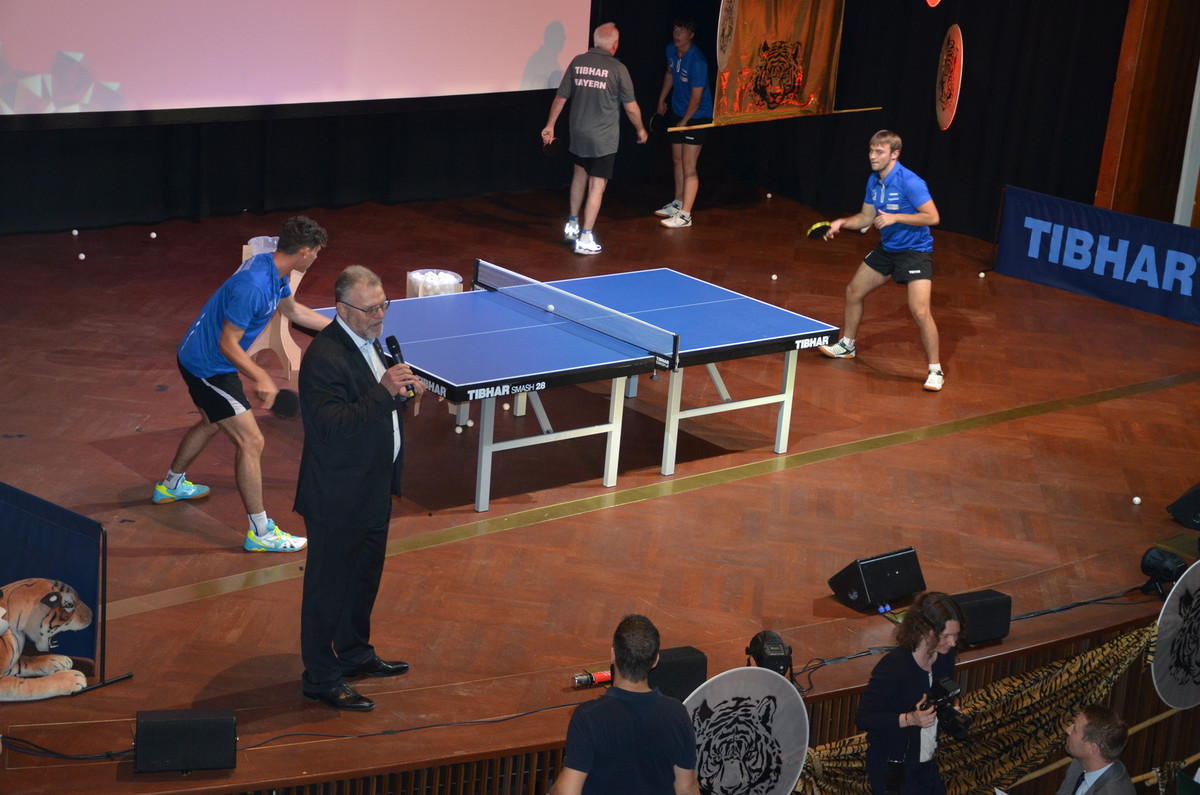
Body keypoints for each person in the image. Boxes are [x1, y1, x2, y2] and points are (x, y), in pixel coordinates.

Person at [153, 215, 331, 552]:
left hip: (201, 356)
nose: (316, 257)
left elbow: (293, 311)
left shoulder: (274, 270)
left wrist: (340, 329)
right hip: (208, 366)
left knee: (213, 420)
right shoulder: (254, 285)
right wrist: (261, 375)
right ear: (305, 251)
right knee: (251, 441)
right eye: (317, 252)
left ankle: (170, 486)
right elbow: (228, 343)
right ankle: (260, 533)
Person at [295, 265, 425, 711]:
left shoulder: (372, 345)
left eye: (383, 305)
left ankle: (354, 654)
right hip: (337, 498)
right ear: (342, 309)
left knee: (362, 582)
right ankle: (320, 678)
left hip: (372, 489)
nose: (380, 315)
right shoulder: (324, 358)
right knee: (327, 591)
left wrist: (402, 393)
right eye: (370, 309)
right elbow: (329, 428)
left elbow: (377, 410)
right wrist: (383, 392)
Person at [817, 130, 945, 392]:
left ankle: (935, 370)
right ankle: (847, 345)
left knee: (920, 311)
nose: (872, 156)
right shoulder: (874, 181)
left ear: (894, 154)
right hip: (888, 249)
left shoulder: (911, 182)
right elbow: (866, 217)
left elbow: (933, 217)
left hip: (915, 251)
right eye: (870, 150)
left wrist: (896, 218)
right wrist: (842, 223)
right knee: (853, 291)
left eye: (879, 152)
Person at [550, 614, 701, 795]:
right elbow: (686, 789)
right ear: (655, 660)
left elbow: (567, 792)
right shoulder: (677, 713)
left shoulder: (588, 717)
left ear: (613, 654)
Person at [541, 22, 648, 256]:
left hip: (578, 133)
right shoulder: (618, 69)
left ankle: (572, 225)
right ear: (615, 45)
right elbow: (631, 108)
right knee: (598, 185)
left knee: (579, 175)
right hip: (603, 139)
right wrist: (641, 129)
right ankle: (585, 238)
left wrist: (550, 125)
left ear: (595, 40)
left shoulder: (578, 61)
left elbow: (560, 97)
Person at [856, 592, 965, 795]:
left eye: (955, 635)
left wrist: (948, 711)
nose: (952, 643)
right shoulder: (894, 667)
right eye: (946, 636)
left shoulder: (945, 657)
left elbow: (940, 700)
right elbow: (864, 718)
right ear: (925, 631)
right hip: (894, 769)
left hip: (926, 763)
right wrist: (910, 719)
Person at [654, 16, 713, 229]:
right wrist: (662, 99)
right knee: (677, 159)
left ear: (691, 35)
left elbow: (696, 99)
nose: (677, 34)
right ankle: (678, 203)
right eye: (675, 30)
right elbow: (670, 73)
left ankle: (686, 215)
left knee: (689, 165)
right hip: (678, 112)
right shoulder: (671, 50)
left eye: (682, 31)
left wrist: (685, 122)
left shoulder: (698, 62)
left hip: (697, 117)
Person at [1056, 706, 1135, 795]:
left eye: (1075, 729)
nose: (1067, 730)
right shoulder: (1079, 763)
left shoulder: (1112, 791)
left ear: (1092, 749)